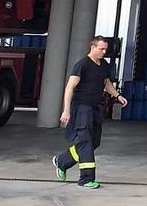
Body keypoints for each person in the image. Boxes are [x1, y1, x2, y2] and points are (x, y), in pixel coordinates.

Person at [51, 36, 127, 189]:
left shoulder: (104, 65)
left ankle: (62, 161)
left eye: (105, 49)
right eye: (101, 49)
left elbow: (106, 83)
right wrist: (66, 110)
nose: (104, 52)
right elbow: (69, 88)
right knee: (85, 142)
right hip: (82, 108)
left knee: (94, 142)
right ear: (93, 47)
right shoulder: (82, 65)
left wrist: (117, 95)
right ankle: (86, 179)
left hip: (96, 107)